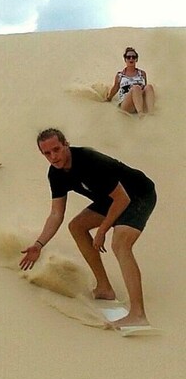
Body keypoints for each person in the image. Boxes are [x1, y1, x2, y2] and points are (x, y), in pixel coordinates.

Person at [20, 129, 157, 329]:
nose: (53, 157)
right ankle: (104, 288)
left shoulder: (90, 161)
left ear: (66, 144)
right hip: (109, 199)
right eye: (47, 154)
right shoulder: (56, 174)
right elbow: (56, 214)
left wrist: (102, 230)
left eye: (56, 149)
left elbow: (123, 199)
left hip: (137, 195)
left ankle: (138, 314)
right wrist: (39, 244)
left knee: (120, 244)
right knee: (76, 226)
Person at [106, 47, 155, 115]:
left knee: (149, 87)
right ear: (125, 59)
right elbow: (115, 88)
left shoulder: (142, 73)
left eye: (133, 57)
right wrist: (108, 98)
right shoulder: (120, 75)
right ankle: (140, 114)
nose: (131, 59)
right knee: (136, 88)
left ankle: (151, 113)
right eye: (128, 57)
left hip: (140, 101)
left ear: (136, 59)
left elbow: (145, 89)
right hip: (127, 104)